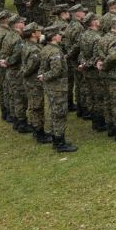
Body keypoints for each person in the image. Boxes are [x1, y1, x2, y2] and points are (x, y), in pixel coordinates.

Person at [39, 25, 77, 153]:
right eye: (59, 34)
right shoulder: (55, 52)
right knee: (60, 114)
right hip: (57, 87)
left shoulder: (45, 49)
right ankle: (60, 143)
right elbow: (56, 71)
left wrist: (43, 76)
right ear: (54, 37)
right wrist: (44, 76)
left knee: (54, 112)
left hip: (51, 87)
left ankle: (56, 139)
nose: (61, 36)